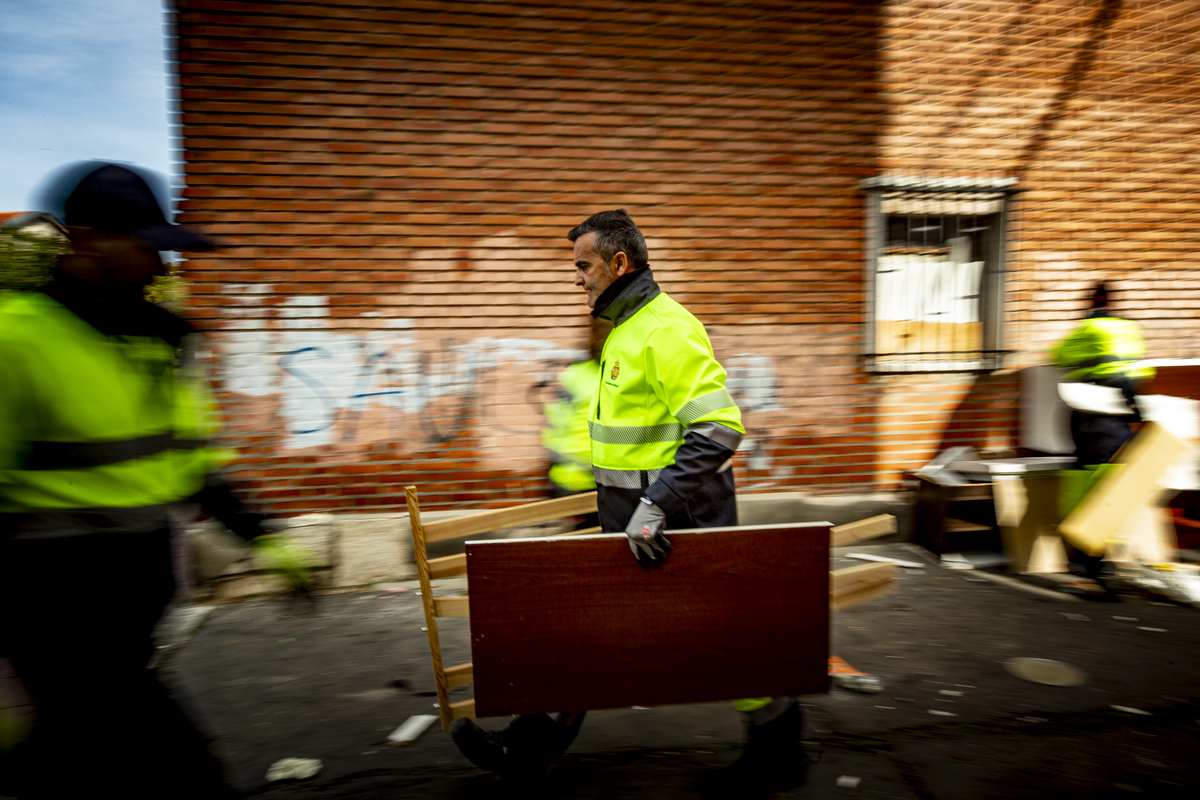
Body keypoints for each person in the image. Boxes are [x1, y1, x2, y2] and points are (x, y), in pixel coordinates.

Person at [451, 210, 805, 797]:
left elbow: (719, 429)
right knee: (594, 638)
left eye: (583, 265)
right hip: (637, 533)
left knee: (725, 649)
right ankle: (525, 747)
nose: (577, 279)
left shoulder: (665, 329)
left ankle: (779, 754)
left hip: (674, 532)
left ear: (619, 263)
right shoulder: (626, 330)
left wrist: (656, 506)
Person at [0, 163, 300, 799]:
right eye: (141, 243)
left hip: (129, 608)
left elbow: (191, 464)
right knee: (180, 772)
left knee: (82, 755)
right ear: (85, 240)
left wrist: (264, 536)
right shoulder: (15, 340)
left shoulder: (153, 343)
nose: (157, 261)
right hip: (54, 602)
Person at [1052, 280, 1154, 469]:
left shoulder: (1089, 327)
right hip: (1128, 396)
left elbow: (1059, 355)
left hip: (1096, 398)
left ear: (1092, 302)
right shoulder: (1129, 327)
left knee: (1093, 454)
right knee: (1116, 452)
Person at [540, 317, 610, 529]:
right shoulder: (616, 377)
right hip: (587, 481)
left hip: (576, 480)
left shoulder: (573, 375)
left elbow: (553, 426)